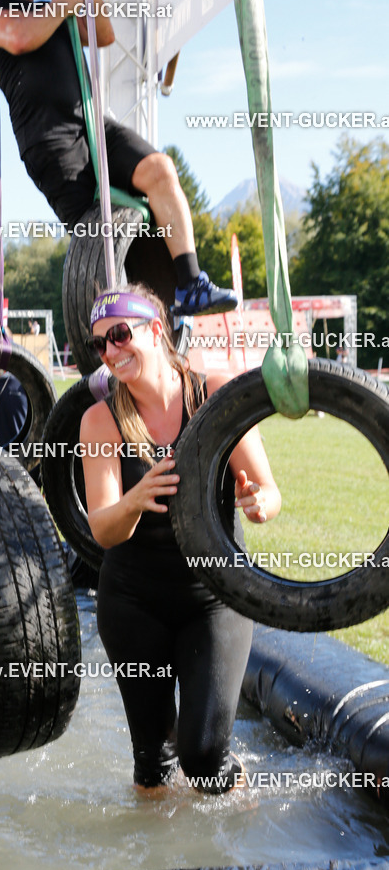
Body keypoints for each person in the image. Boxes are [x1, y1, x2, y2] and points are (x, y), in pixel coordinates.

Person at [80, 285, 281, 793]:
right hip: (133, 603)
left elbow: (270, 491)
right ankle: (155, 865)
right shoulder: (100, 420)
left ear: (156, 329)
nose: (111, 351)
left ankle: (237, 840)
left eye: (120, 334)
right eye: (101, 343)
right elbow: (104, 528)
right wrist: (135, 498)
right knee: (152, 763)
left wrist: (259, 502)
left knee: (205, 759)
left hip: (214, 600)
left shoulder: (214, 391)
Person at [0, 0, 237, 318]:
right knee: (99, 231)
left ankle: (191, 284)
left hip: (94, 125)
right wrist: (63, 3)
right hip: (50, 140)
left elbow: (103, 33)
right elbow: (20, 38)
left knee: (160, 169)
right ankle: (119, 322)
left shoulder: (53, 11)